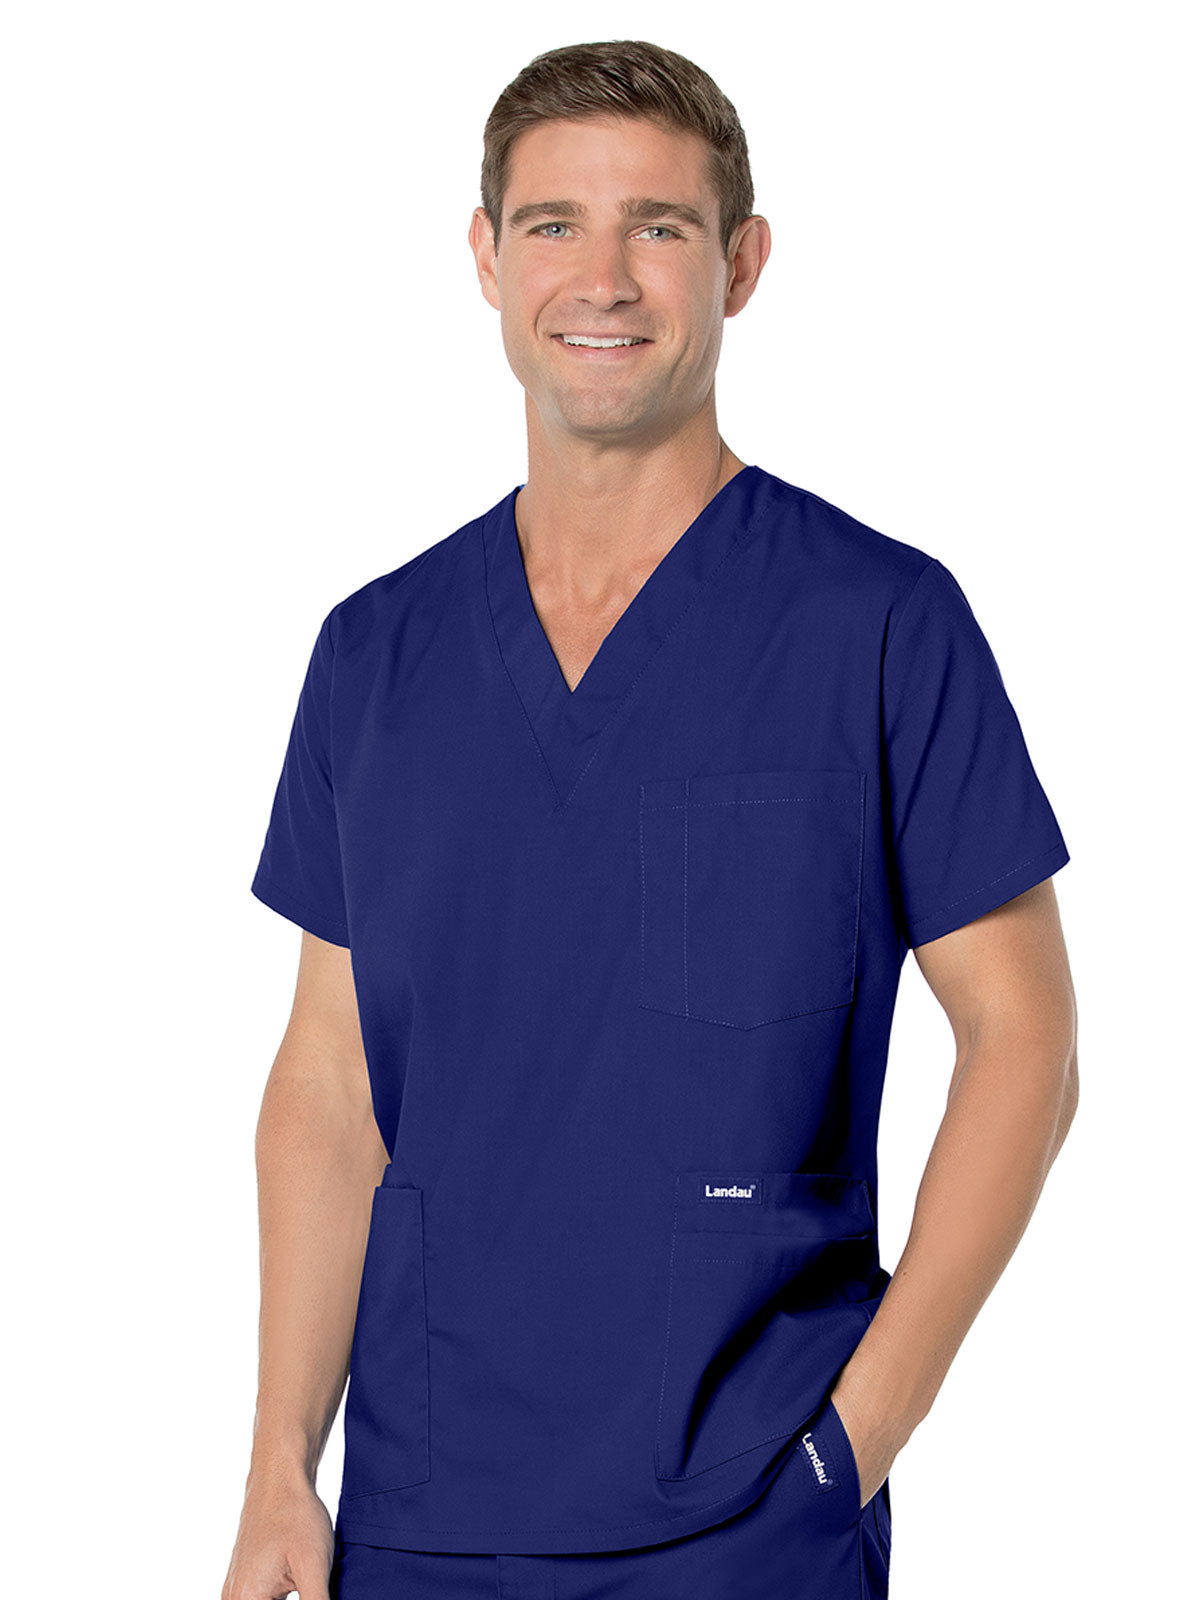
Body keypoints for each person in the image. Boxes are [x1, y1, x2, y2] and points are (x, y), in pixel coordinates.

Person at [223, 37, 1078, 1600]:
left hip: (749, 1522)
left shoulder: (879, 625)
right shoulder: (377, 655)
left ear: (742, 264)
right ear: (487, 259)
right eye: (554, 223)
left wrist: (854, 1445)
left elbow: (1025, 1042)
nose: (602, 278)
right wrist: (283, 1465)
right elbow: (331, 1086)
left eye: (659, 227)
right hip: (422, 1523)